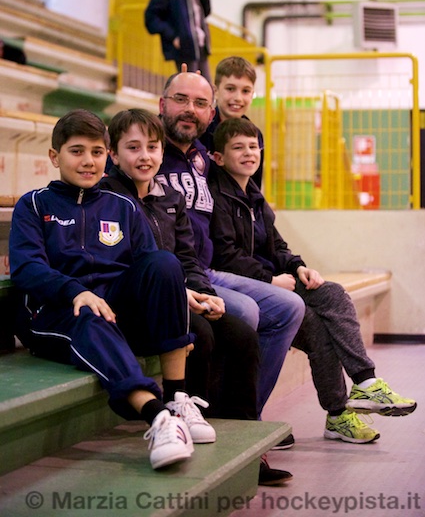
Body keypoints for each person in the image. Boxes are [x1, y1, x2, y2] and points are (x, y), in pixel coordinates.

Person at [8, 109, 216, 472]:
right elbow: (27, 268)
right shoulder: (34, 204)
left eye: (96, 152)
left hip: (114, 307)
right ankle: (158, 417)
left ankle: (177, 398)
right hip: (54, 313)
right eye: (76, 151)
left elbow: (151, 266)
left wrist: (176, 293)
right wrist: (74, 291)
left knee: (165, 263)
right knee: (91, 313)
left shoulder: (123, 206)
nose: (88, 161)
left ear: (107, 156)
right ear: (55, 156)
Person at [209, 117, 418, 444]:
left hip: (273, 280)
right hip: (248, 285)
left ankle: (364, 384)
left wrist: (299, 268)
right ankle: (335, 413)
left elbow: (277, 245)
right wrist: (270, 279)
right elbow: (224, 255)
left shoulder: (254, 195)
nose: (249, 153)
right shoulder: (216, 196)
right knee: (318, 328)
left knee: (332, 293)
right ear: (219, 157)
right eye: (239, 148)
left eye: (253, 147)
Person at [157, 70, 305, 483]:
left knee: (292, 307)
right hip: (177, 273)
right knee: (247, 314)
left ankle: (248, 424)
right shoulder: (150, 150)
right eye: (181, 100)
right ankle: (225, 423)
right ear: (162, 104)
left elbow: (251, 204)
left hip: (206, 269)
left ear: (211, 114)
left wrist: (291, 264)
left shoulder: (204, 159)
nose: (190, 110)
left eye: (200, 103)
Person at [101, 107, 260, 423]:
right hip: (136, 305)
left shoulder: (172, 198)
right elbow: (119, 263)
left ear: (162, 152)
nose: (144, 156)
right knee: (200, 334)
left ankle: (242, 430)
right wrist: (180, 293)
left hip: (180, 296)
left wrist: (204, 293)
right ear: (114, 156)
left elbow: (187, 257)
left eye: (152, 147)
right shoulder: (107, 198)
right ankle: (188, 415)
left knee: (243, 337)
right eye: (133, 148)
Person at [200, 56, 263, 187]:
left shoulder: (255, 135)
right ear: (215, 91)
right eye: (230, 89)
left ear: (252, 94)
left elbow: (253, 186)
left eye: (245, 91)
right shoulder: (201, 129)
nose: (238, 98)